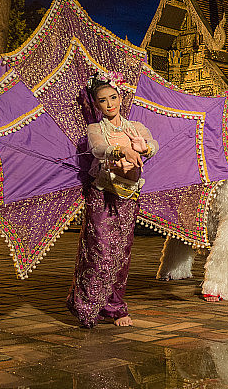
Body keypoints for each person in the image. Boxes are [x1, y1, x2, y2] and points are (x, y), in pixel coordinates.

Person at [66, 72, 158, 327]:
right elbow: (97, 148)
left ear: (121, 98)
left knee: (121, 253)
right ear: (96, 104)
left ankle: (115, 307)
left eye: (113, 97)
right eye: (103, 100)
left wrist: (144, 147)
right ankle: (88, 305)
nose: (110, 104)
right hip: (102, 197)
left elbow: (154, 144)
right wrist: (120, 149)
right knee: (100, 250)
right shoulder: (95, 128)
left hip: (128, 198)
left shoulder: (135, 128)